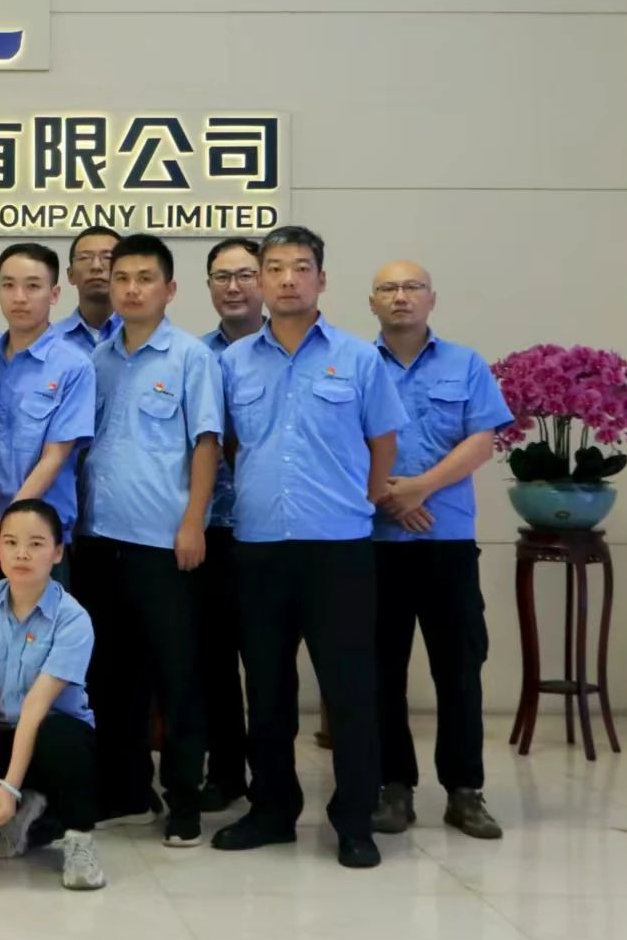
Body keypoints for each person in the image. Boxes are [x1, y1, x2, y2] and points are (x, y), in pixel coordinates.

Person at [213, 225, 407, 870]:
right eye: (274, 268)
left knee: (350, 690)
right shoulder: (234, 363)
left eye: (301, 267)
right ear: (260, 281)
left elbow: (383, 443)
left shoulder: (358, 358)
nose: (288, 279)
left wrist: (362, 499)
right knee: (266, 690)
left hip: (338, 549)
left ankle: (354, 820)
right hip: (259, 547)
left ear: (321, 280)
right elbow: (230, 447)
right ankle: (271, 810)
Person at [75, 234, 223, 847]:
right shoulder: (97, 359)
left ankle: (184, 799)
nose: (131, 289)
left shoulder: (191, 357)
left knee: (177, 674)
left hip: (163, 543)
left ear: (169, 289)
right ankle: (129, 792)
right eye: (122, 278)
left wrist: (193, 522)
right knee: (111, 674)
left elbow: (207, 443)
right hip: (97, 539)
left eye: (145, 278)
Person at [367, 261, 513, 842]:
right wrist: (388, 497)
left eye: (412, 287)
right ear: (372, 302)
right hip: (376, 542)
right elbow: (338, 443)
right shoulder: (356, 364)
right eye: (388, 288)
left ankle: (464, 791)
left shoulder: (465, 363)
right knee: (381, 672)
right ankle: (393, 787)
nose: (400, 297)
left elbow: (482, 439)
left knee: (459, 670)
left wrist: (420, 488)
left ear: (432, 299)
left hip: (446, 540)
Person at [0, 499, 106, 891]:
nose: (21, 553)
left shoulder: (72, 619)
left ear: (57, 552)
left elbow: (35, 707)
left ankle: (79, 840)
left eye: (35, 544)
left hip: (49, 735)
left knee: (60, 735)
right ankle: (28, 809)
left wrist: (8, 785)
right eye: (11, 542)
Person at [196, 237, 265, 812]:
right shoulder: (194, 356)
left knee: (268, 662)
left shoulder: (292, 350)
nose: (234, 287)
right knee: (214, 660)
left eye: (245, 274)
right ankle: (224, 772)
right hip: (213, 529)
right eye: (222, 277)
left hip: (272, 530)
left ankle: (272, 775)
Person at [0, 244, 95, 557]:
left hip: (42, 536)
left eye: (32, 286)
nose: (19, 297)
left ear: (54, 294)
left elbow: (55, 458)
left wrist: (9, 525)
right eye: (8, 285)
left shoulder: (73, 366)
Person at [54, 227, 122, 357]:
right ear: (70, 275)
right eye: (85, 258)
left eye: (108, 257)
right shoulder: (50, 340)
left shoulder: (141, 336)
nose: (96, 266)